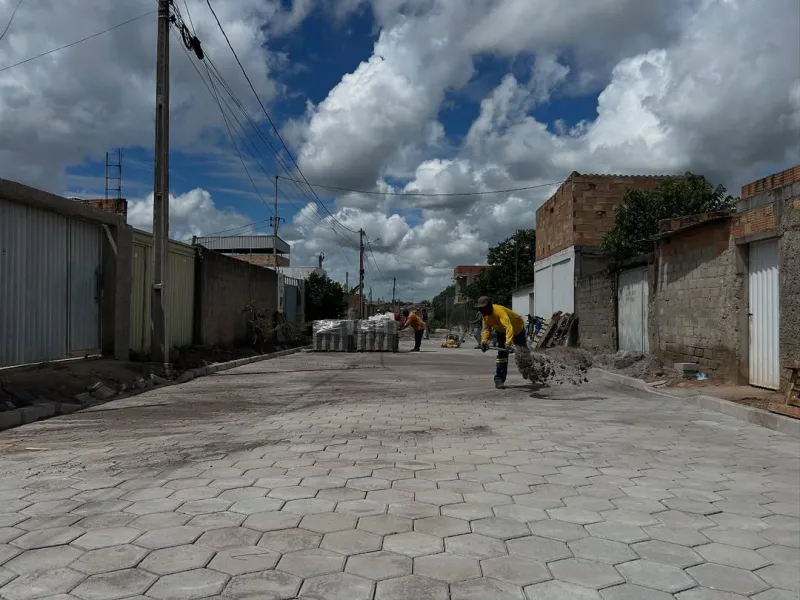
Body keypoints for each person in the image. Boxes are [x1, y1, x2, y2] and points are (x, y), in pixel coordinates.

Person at [476, 296, 527, 389]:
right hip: (501, 332)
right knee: (502, 355)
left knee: (524, 353)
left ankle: (531, 371)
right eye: (480, 309)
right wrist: (484, 341)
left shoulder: (499, 311)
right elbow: (486, 329)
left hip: (517, 330)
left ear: (490, 306)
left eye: (484, 308)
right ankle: (499, 379)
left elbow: (509, 327)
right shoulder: (485, 316)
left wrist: (508, 343)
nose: (482, 311)